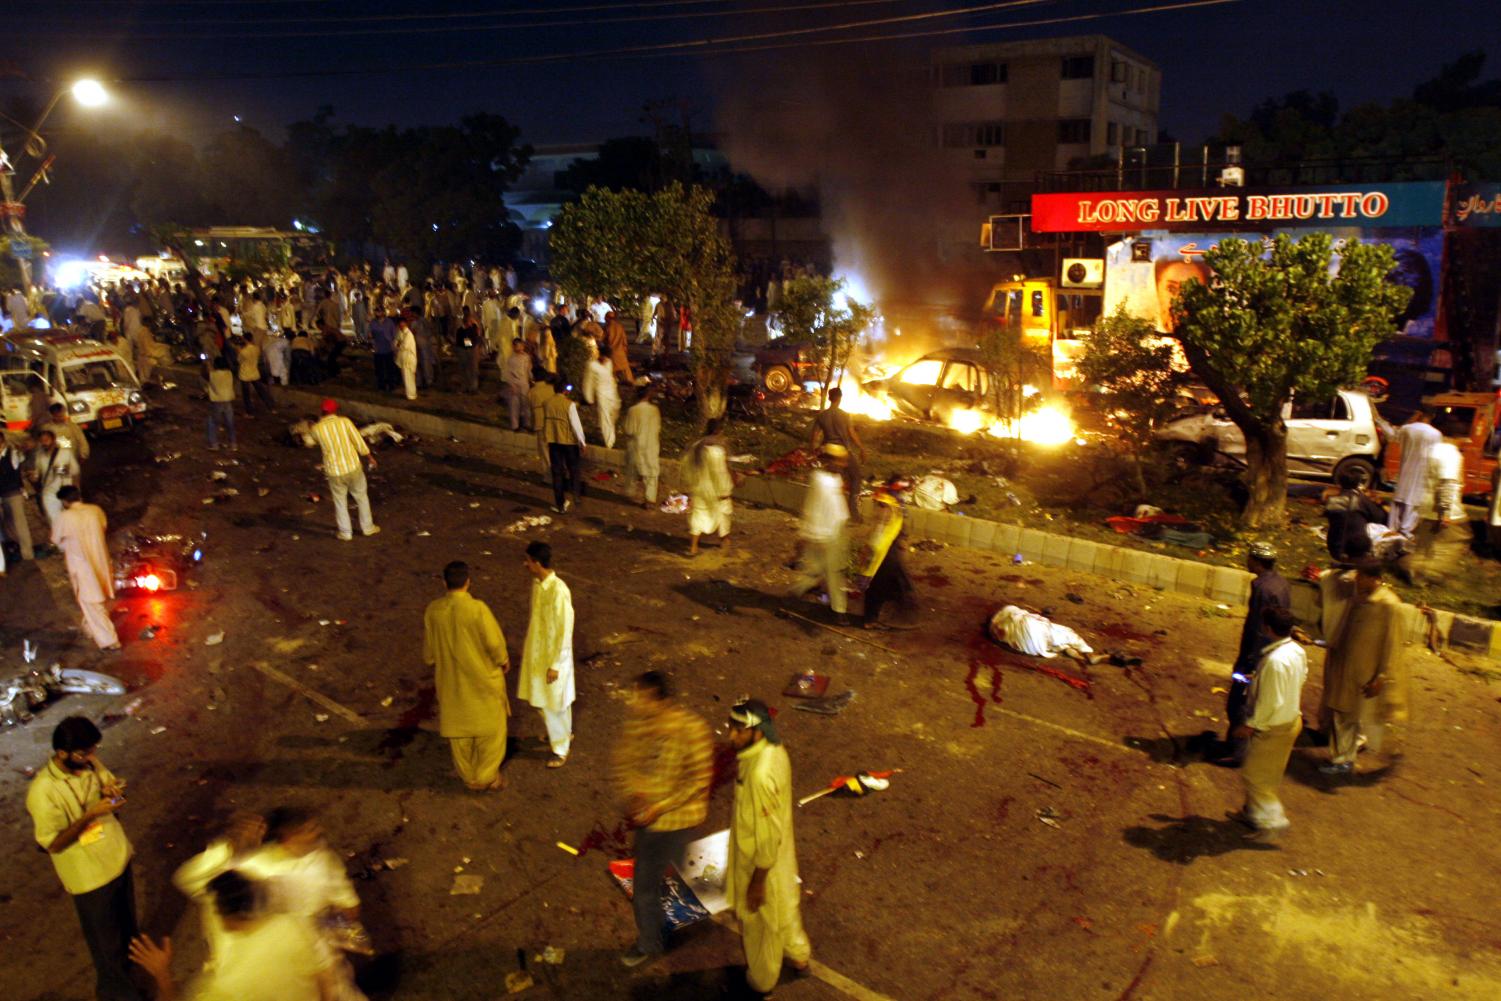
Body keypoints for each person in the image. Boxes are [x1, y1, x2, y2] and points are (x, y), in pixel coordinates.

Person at [27, 716, 142, 1001]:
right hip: (90, 877)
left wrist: (114, 791)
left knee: (128, 930)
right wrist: (91, 813)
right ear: (62, 753)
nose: (91, 757)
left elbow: (108, 784)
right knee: (107, 946)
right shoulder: (43, 792)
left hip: (117, 857)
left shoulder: (89, 763)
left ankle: (133, 976)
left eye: (93, 751)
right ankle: (119, 993)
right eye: (83, 753)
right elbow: (53, 843)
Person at [615, 671, 714, 968]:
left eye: (640, 697)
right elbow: (626, 761)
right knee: (662, 878)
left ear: (660, 700)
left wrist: (659, 807)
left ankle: (649, 943)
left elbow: (698, 780)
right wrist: (634, 794)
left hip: (677, 822)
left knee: (645, 888)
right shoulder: (638, 725)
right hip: (651, 821)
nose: (634, 703)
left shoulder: (692, 730)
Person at [131, 870, 336, 1001]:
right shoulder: (291, 926)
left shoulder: (227, 986)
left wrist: (161, 973)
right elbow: (325, 978)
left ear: (226, 916)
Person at [725, 697, 811, 995]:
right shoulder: (775, 751)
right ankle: (799, 956)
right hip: (780, 853)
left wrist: (757, 883)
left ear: (757, 731)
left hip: (761, 864)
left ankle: (761, 983)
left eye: (739, 730)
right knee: (786, 908)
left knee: (762, 928)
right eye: (731, 727)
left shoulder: (759, 775)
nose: (732, 736)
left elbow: (765, 836)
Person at [1311, 560, 1408, 777]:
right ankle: (1344, 755)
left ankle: (1344, 759)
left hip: (1364, 672)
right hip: (1345, 667)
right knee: (1343, 713)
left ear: (1375, 578)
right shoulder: (1359, 598)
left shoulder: (1388, 605)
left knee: (1348, 716)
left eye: (1361, 576)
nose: (1357, 579)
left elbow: (1392, 645)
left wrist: (1381, 677)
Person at [424, 561, 511, 791]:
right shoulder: (477, 609)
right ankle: (486, 776)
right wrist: (503, 660)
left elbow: (429, 654)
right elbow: (494, 644)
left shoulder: (433, 610)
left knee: (459, 733)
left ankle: (469, 777)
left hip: (451, 683)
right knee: (492, 731)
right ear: (468, 582)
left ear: (444, 583)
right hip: (482, 680)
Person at [1231, 606, 1307, 842]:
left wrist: (1250, 725)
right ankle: (1254, 813)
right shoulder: (1295, 650)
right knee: (1267, 775)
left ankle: (1273, 822)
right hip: (1290, 720)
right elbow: (1299, 677)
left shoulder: (1275, 661)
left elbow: (1270, 702)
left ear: (1268, 628)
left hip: (1273, 728)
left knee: (1254, 776)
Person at [1219, 542, 1291, 766]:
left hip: (1255, 656)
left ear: (1257, 561)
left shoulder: (1263, 589)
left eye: (1249, 557)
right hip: (1270, 651)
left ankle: (1238, 752)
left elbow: (1258, 629)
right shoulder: (1280, 583)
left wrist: (1251, 664)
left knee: (1239, 703)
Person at [519, 541, 576, 768]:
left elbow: (565, 629)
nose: (526, 564)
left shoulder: (558, 591)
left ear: (538, 563)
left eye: (528, 560)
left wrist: (555, 664)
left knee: (552, 704)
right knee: (549, 701)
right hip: (538, 653)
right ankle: (562, 734)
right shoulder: (538, 585)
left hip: (552, 658)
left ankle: (560, 748)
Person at [53, 486, 122, 650]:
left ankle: (110, 641)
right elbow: (103, 528)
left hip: (82, 565)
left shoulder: (66, 517)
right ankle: (90, 628)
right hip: (100, 560)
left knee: (91, 602)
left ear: (64, 502)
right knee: (95, 600)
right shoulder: (95, 510)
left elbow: (56, 539)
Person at [787, 444, 850, 613]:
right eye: (840, 461)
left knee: (819, 569)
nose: (843, 464)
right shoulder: (819, 479)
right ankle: (838, 611)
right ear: (830, 461)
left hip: (833, 530)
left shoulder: (835, 479)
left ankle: (798, 591)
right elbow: (813, 508)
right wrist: (807, 534)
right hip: (822, 533)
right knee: (832, 573)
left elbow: (836, 507)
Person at [310, 399, 380, 542]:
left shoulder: (316, 429)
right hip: (353, 467)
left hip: (334, 471)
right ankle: (368, 528)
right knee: (361, 497)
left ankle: (345, 533)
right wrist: (370, 458)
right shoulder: (345, 422)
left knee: (340, 502)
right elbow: (358, 441)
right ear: (335, 410)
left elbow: (313, 441)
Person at [855, 477, 916, 629]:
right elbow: (881, 525)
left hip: (887, 548)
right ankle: (896, 617)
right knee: (889, 584)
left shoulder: (890, 500)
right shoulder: (888, 503)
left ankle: (875, 617)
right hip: (885, 550)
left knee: (887, 583)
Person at [809, 387, 867, 522]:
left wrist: (813, 452)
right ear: (840, 398)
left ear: (830, 398)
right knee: (856, 477)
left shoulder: (822, 415)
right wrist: (862, 448)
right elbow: (852, 433)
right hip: (842, 451)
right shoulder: (845, 415)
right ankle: (854, 512)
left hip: (828, 449)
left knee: (834, 480)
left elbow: (815, 436)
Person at [684, 418, 734, 556]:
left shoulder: (697, 445)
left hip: (701, 487)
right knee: (724, 512)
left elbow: (691, 467)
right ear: (719, 430)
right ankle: (725, 541)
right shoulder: (722, 445)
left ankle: (693, 547)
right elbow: (727, 467)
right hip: (719, 488)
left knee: (699, 514)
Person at [1388, 410, 1441, 537]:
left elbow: (1393, 435)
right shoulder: (1436, 434)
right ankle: (1406, 530)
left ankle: (1392, 528)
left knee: (1400, 498)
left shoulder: (1407, 429)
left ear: (1419, 414)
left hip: (1405, 469)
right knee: (1413, 501)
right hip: (1422, 472)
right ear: (1432, 416)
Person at [542, 378, 587, 514]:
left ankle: (560, 504)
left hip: (553, 441)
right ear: (565, 391)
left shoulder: (547, 403)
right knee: (574, 469)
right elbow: (576, 425)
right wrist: (582, 442)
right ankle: (576, 495)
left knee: (557, 472)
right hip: (568, 442)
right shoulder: (569, 405)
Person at [1323, 470, 1388, 562]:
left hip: (1334, 548)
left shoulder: (1331, 501)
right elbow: (1380, 517)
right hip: (1357, 548)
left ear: (1340, 482)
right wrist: (1380, 503)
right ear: (1358, 483)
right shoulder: (1360, 500)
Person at [621, 384, 661, 508]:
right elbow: (658, 428)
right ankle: (650, 500)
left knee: (633, 471)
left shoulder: (633, 410)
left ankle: (630, 493)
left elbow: (629, 429)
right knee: (651, 473)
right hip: (651, 444)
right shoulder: (655, 410)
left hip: (636, 445)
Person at [32, 427, 79, 526]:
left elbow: (75, 470)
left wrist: (59, 470)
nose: (44, 443)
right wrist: (33, 477)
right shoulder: (39, 456)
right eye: (42, 441)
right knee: (55, 522)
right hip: (49, 492)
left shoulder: (65, 452)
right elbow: (37, 473)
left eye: (46, 440)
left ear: (53, 440)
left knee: (71, 520)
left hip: (66, 491)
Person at [1, 435, 34, 561]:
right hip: (2, 494)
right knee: (7, 523)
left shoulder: (12, 454)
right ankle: (18, 547)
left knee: (20, 523)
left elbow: (21, 458)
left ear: (3, 442)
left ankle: (27, 553)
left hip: (13, 492)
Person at [583, 350, 620, 448]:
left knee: (612, 415)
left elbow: (611, 377)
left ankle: (611, 436)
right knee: (605, 417)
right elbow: (588, 382)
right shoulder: (592, 366)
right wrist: (589, 397)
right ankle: (609, 442)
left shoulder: (609, 363)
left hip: (612, 393)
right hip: (601, 395)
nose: (606, 360)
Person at [205, 357, 238, 451]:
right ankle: (233, 444)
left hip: (217, 401)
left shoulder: (213, 375)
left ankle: (214, 444)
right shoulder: (229, 374)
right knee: (230, 423)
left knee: (213, 422)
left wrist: (207, 364)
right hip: (228, 400)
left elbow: (205, 374)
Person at [502, 338, 532, 431]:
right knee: (514, 405)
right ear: (514, 347)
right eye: (518, 346)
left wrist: (531, 379)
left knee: (526, 404)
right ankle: (515, 425)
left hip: (524, 383)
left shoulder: (526, 357)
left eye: (521, 346)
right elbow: (506, 373)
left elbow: (528, 370)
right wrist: (511, 384)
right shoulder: (510, 359)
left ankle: (527, 423)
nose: (520, 348)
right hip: (514, 384)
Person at [369, 309, 397, 392]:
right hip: (378, 348)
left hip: (388, 347)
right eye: (376, 311)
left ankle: (391, 384)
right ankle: (381, 384)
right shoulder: (373, 323)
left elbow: (394, 334)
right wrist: (372, 343)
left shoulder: (389, 322)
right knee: (379, 368)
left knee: (390, 368)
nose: (377, 313)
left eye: (379, 311)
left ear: (383, 312)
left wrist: (393, 345)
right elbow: (370, 335)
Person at [456, 306, 482, 394]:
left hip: (471, 350)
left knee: (473, 370)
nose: (472, 323)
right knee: (465, 369)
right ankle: (466, 386)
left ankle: (473, 387)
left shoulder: (472, 328)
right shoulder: (462, 331)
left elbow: (477, 337)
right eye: (470, 322)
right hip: (466, 351)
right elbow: (464, 342)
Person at [394, 317, 418, 402]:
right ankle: (409, 394)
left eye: (402, 324)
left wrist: (398, 345)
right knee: (405, 378)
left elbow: (404, 346)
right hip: (403, 359)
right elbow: (395, 342)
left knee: (409, 378)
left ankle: (411, 395)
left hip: (408, 359)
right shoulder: (401, 333)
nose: (401, 326)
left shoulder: (409, 334)